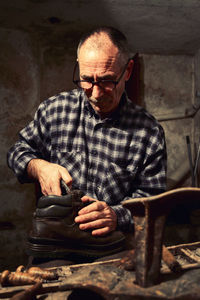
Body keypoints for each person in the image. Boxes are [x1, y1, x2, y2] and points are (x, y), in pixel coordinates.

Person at [7, 26, 167, 239]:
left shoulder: (150, 133)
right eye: (87, 79)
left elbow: (153, 202)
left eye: (107, 80)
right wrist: (38, 167)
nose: (96, 93)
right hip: (56, 240)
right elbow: (17, 152)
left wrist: (117, 215)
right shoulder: (54, 110)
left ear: (127, 71)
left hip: (113, 245)